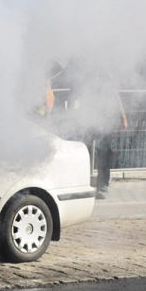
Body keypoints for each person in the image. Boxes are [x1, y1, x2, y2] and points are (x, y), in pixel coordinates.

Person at [56, 62, 128, 200]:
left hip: (104, 121)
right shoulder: (83, 78)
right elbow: (75, 96)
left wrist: (123, 116)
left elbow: (114, 95)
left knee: (104, 154)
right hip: (87, 120)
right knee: (84, 153)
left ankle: (102, 186)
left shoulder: (106, 76)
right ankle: (83, 185)